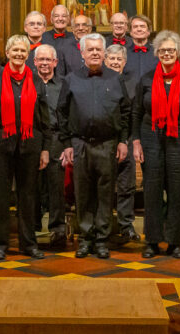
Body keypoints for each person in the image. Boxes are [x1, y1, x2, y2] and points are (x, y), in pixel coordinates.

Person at [132, 31, 180, 259]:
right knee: (152, 191)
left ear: (178, 53)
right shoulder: (145, 79)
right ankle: (152, 242)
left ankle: (175, 242)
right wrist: (136, 142)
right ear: (157, 53)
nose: (167, 54)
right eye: (163, 50)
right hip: (150, 138)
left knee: (177, 191)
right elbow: (136, 112)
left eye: (171, 50)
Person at [57, 34, 131, 259]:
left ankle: (101, 239)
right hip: (80, 143)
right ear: (82, 53)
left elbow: (125, 111)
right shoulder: (71, 79)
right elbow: (61, 112)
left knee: (105, 194)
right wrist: (67, 143)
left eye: (99, 49)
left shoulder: (115, 79)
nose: (95, 53)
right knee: (83, 193)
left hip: (107, 144)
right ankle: (85, 238)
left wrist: (122, 140)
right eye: (91, 50)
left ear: (105, 52)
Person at [0, 35, 51, 260]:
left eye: (23, 51)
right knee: (1, 196)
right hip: (1, 143)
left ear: (27, 54)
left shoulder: (36, 80)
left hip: (30, 145)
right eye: (15, 50)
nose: (19, 54)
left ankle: (28, 244)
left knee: (28, 196)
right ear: (8, 53)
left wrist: (45, 148)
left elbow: (44, 118)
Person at [32, 44, 67, 247]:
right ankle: (33, 226)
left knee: (56, 187)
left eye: (48, 60)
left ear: (55, 62)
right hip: (33, 138)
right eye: (41, 59)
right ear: (35, 62)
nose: (44, 63)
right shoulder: (27, 82)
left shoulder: (63, 84)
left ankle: (57, 229)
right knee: (32, 185)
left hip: (56, 139)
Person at [104, 43, 139, 242]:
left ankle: (126, 225)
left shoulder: (133, 83)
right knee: (105, 186)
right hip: (105, 142)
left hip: (128, 139)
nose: (115, 63)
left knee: (127, 186)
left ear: (124, 63)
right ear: (105, 61)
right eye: (112, 59)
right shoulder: (99, 81)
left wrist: (130, 141)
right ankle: (105, 225)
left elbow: (134, 114)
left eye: (119, 60)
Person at [123, 14, 158, 92]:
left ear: (149, 31)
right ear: (130, 32)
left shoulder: (158, 53)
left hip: (151, 99)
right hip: (129, 100)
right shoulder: (122, 53)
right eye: (135, 27)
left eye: (142, 26)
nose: (139, 29)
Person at [42, 5, 77, 74]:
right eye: (56, 16)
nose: (60, 19)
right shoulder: (43, 37)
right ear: (51, 19)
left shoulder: (75, 38)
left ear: (68, 19)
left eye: (64, 16)